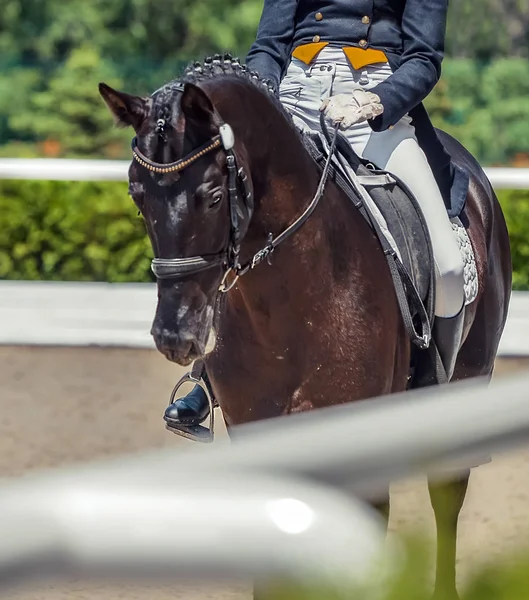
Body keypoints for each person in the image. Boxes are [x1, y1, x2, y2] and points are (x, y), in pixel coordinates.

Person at [165, 0, 468, 428]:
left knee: (449, 267)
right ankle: (207, 380)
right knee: (230, 221)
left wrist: (374, 101)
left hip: (373, 110)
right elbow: (269, 47)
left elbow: (423, 58)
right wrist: (263, 102)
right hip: (292, 100)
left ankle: (431, 385)